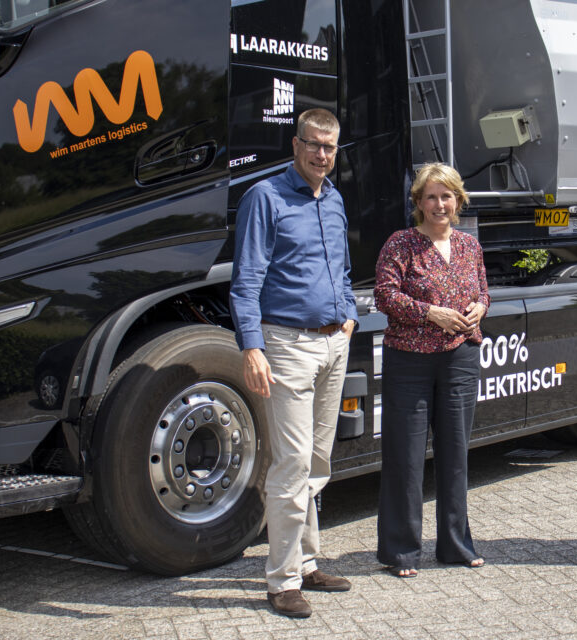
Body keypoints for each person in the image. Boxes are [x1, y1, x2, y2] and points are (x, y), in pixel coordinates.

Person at [230, 108, 357, 618]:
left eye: (330, 147)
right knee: (292, 464)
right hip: (286, 346)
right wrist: (252, 347)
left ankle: (305, 562)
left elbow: (343, 268)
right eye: (314, 145)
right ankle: (281, 581)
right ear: (295, 143)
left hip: (333, 343)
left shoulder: (336, 199)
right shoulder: (265, 198)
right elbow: (246, 281)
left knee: (318, 463)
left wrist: (347, 315)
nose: (322, 154)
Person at [374, 163, 490, 578]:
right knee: (405, 457)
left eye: (447, 196)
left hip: (460, 358)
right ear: (418, 202)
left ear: (458, 200)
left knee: (455, 454)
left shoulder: (468, 245)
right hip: (410, 360)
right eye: (431, 197)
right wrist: (430, 314)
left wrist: (480, 308)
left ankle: (456, 545)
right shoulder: (401, 243)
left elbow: (482, 291)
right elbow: (384, 295)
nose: (439, 204)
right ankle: (401, 552)